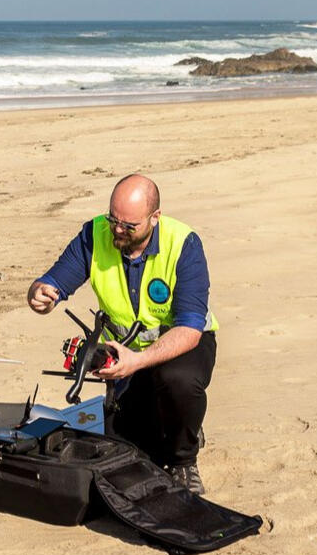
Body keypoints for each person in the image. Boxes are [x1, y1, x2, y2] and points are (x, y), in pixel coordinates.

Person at [26, 173, 218, 494]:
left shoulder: (184, 244)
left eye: (129, 226)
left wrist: (139, 360)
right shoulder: (95, 233)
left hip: (181, 348)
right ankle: (178, 425)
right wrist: (41, 294)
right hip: (124, 356)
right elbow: (54, 280)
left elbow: (189, 329)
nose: (117, 230)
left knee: (178, 381)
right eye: (113, 219)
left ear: (155, 218)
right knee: (129, 448)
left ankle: (185, 459)